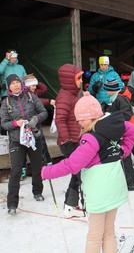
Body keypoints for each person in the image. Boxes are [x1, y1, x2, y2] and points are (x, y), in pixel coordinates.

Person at [42, 92, 134, 253]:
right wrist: (122, 151)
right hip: (115, 187)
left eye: (82, 119)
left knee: (94, 236)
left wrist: (46, 172)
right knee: (108, 232)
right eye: (77, 119)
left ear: (93, 116)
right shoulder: (112, 126)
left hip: (100, 191)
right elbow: (132, 130)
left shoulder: (92, 138)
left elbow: (72, 165)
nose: (79, 122)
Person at [0, 74, 48, 214]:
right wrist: (16, 123)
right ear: (9, 87)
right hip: (17, 140)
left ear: (21, 83)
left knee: (37, 167)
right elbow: (3, 125)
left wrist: (35, 119)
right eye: (12, 84)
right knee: (15, 171)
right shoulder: (6, 103)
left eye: (17, 82)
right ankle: (12, 203)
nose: (15, 85)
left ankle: (37, 192)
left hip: (33, 138)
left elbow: (44, 112)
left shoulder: (31, 97)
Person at [55, 63, 85, 217]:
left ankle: (70, 205)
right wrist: (68, 140)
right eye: (78, 78)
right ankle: (77, 206)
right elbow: (59, 119)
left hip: (76, 140)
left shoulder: (73, 94)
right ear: (69, 79)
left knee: (77, 174)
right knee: (80, 174)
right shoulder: (64, 96)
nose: (81, 81)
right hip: (70, 143)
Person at [103, 78, 134, 188]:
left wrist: (112, 115)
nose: (107, 93)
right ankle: (125, 179)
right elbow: (116, 110)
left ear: (112, 90)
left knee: (125, 154)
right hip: (122, 128)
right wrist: (107, 108)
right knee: (121, 154)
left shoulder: (121, 98)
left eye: (107, 90)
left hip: (125, 129)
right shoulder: (117, 97)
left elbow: (126, 114)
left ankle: (129, 182)